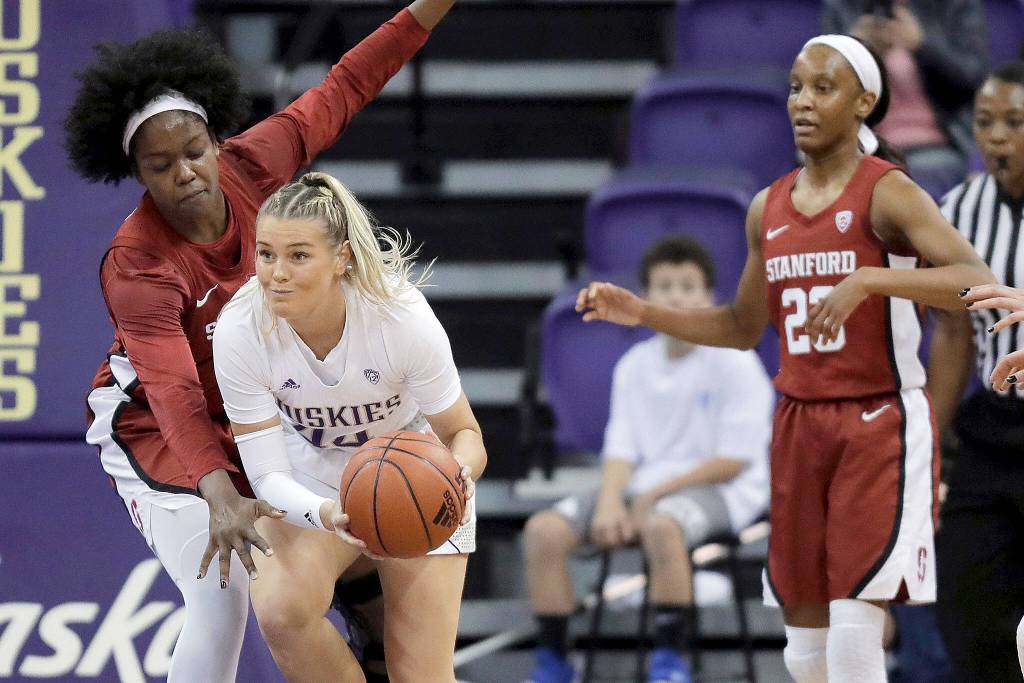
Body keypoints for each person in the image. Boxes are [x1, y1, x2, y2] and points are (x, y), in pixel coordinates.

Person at [575, 35, 994, 683]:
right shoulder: (766, 207)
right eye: (796, 86)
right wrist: (644, 312)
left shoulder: (890, 193)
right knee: (802, 650)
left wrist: (872, 280)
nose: (803, 101)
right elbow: (743, 327)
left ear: (863, 103)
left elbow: (974, 278)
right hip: (799, 424)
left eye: (823, 89)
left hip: (877, 421)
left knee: (856, 633)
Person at [67, 2, 456, 680]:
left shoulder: (254, 165)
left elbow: (343, 88)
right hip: (153, 426)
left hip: (259, 406)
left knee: (364, 522)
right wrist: (217, 492)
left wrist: (422, 13)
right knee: (224, 586)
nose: (184, 173)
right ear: (138, 174)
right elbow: (174, 389)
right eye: (161, 166)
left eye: (193, 152)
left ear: (217, 141)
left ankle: (375, 645)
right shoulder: (137, 261)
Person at [210, 171, 484, 682]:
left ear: (342, 260)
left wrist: (456, 477)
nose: (276, 273)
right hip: (312, 477)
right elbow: (266, 477)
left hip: (414, 470)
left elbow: (465, 434)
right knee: (280, 610)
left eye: (298, 255)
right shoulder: (239, 330)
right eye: (266, 254)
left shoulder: (398, 316)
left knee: (421, 676)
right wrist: (326, 512)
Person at [522, 237, 773, 683]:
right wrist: (610, 501)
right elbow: (622, 447)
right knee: (543, 531)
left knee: (662, 525)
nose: (676, 296)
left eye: (688, 286)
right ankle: (554, 663)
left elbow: (734, 460)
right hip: (646, 488)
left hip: (727, 491)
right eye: (664, 286)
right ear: (646, 299)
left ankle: (669, 663)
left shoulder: (737, 363)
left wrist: (651, 497)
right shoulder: (635, 364)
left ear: (710, 296)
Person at [928, 59, 1024, 682]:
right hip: (992, 429)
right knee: (967, 617)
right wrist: (929, 447)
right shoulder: (958, 207)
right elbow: (953, 336)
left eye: (1014, 122)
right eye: (984, 122)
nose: (994, 137)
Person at [823, 0, 988, 198]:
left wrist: (922, 45)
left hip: (937, 146)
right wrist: (855, 53)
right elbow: (823, 91)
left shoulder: (953, 5)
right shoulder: (842, 7)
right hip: (865, 145)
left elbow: (974, 80)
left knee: (904, 184)